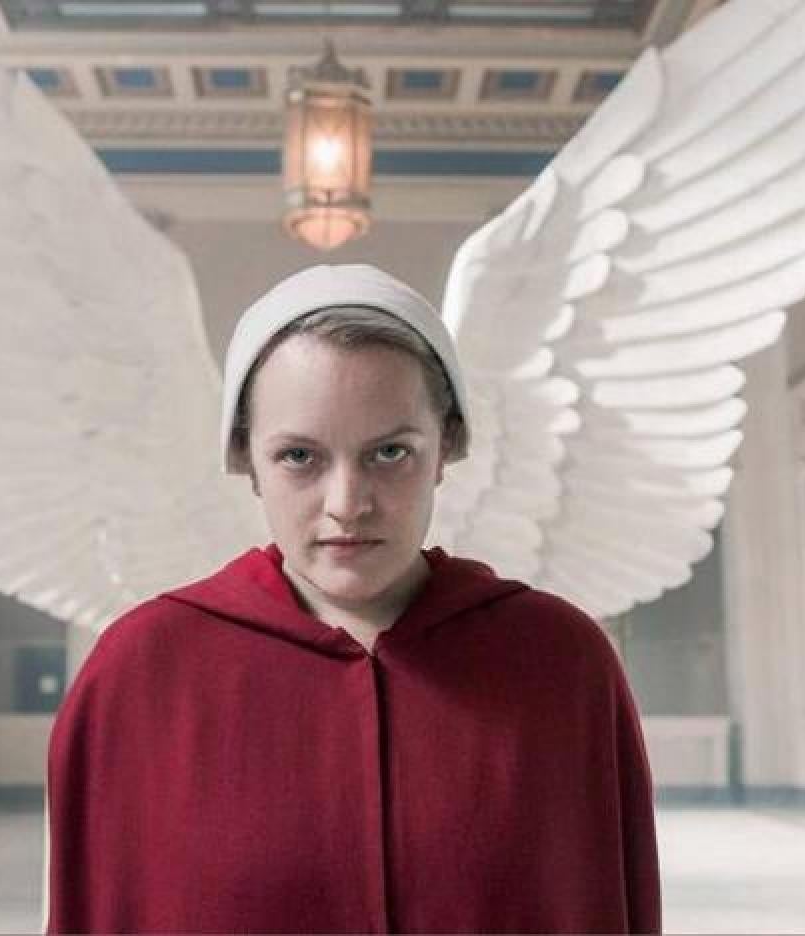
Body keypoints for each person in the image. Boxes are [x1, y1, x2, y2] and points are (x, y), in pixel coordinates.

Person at [46, 264, 661, 933]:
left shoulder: (560, 661)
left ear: (448, 446)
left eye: (390, 452)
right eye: (299, 457)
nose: (348, 504)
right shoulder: (141, 671)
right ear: (245, 458)